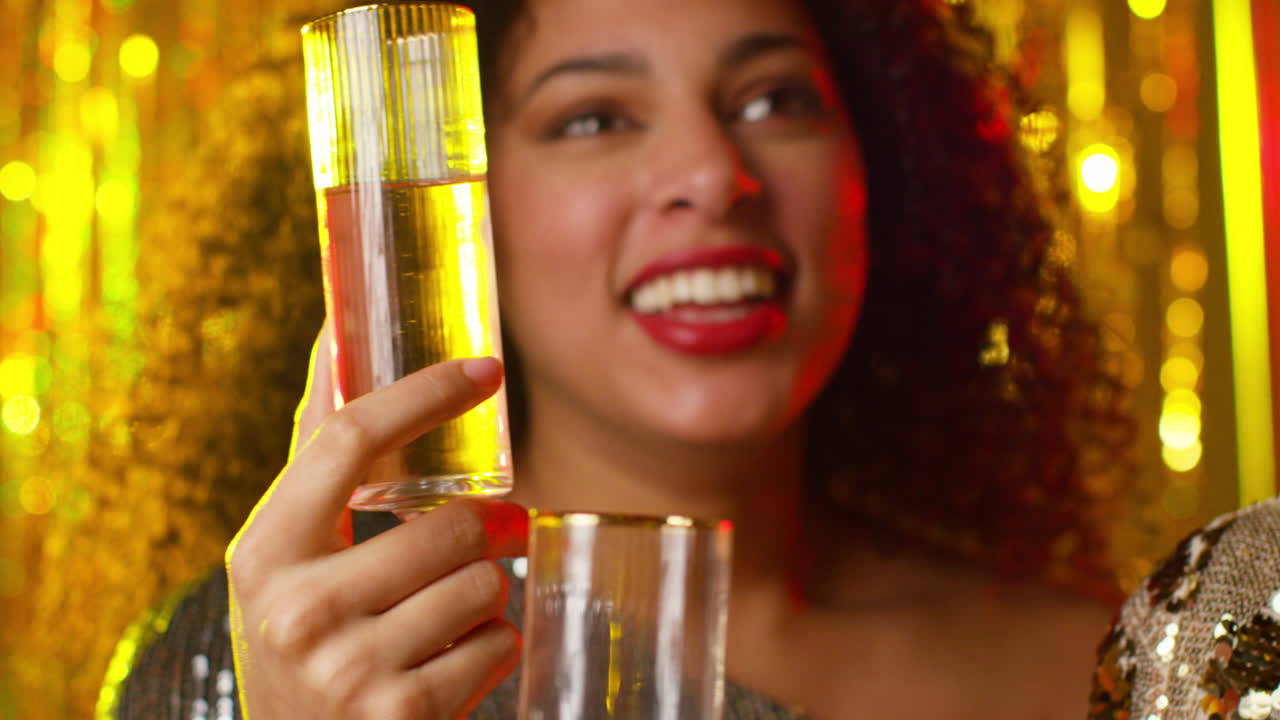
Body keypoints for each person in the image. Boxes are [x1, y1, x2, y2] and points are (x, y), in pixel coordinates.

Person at [105, 0, 1158, 717]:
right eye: (593, 117)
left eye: (770, 99)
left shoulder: (1119, 667)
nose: (711, 174)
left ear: (880, 165)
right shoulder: (271, 661)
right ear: (459, 209)